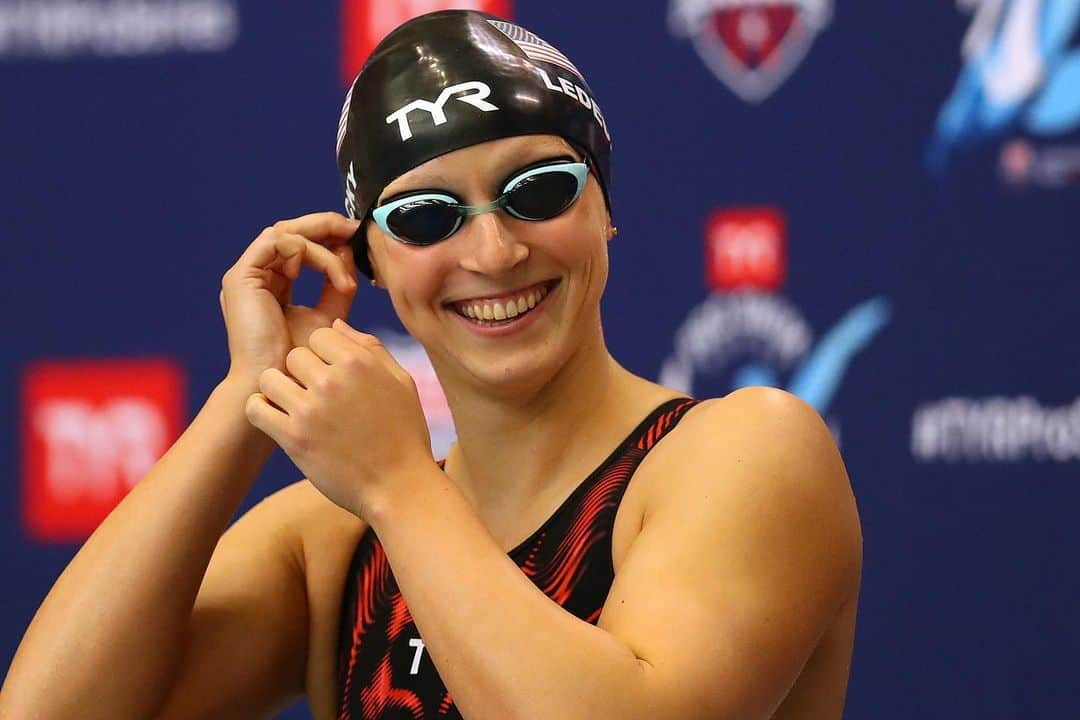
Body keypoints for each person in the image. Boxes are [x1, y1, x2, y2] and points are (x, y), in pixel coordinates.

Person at [0, 10, 861, 720]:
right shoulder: (333, 546)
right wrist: (246, 397)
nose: (492, 250)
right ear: (367, 259)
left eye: (540, 189)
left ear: (605, 209)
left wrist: (401, 487)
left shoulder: (747, 453)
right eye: (425, 215)